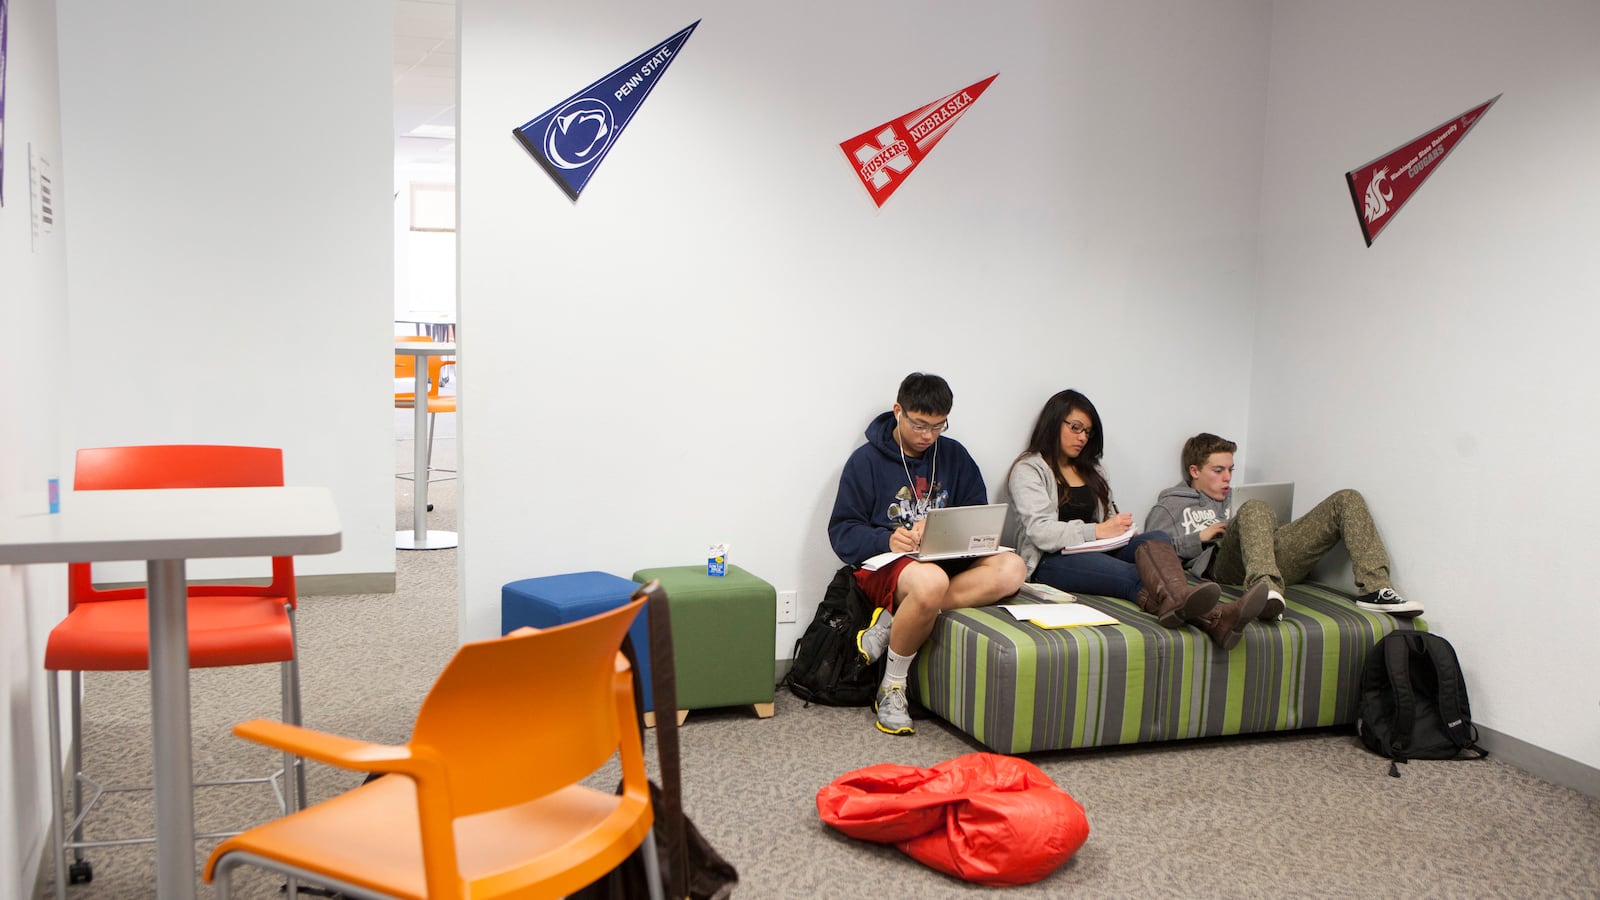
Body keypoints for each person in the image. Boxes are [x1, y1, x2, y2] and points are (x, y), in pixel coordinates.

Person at [827, 373, 1027, 736]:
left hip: (946, 559)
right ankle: (892, 687)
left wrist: (941, 531)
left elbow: (975, 514)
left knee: (1013, 568)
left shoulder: (954, 455)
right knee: (931, 581)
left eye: (938, 426)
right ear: (898, 411)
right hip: (887, 565)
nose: (928, 436)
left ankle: (891, 622)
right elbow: (842, 531)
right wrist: (888, 539)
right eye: (919, 424)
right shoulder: (865, 461)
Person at [1006, 390, 1265, 649]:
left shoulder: (1092, 470)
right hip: (1050, 560)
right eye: (1076, 427)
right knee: (1134, 574)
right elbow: (1040, 532)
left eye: (1088, 431)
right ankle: (1215, 617)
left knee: (1157, 539)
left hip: (1096, 547)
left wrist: (1120, 529)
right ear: (1053, 422)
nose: (1083, 437)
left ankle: (1185, 604)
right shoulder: (1029, 469)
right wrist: (1097, 530)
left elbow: (1107, 519)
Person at [1145, 432, 1422, 617]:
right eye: (1218, 470)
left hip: (1270, 558)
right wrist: (1199, 537)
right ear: (1194, 471)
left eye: (1231, 470)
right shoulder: (1171, 504)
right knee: (1255, 506)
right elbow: (1148, 551)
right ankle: (1266, 591)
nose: (1227, 477)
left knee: (1347, 498)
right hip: (1225, 567)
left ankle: (1376, 589)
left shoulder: (1237, 497)